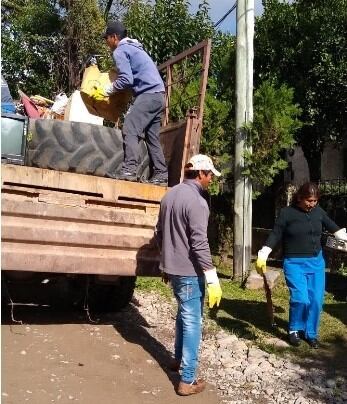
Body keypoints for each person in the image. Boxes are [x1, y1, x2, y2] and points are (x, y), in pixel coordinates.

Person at [155, 154, 223, 396]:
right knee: (193, 320)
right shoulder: (197, 201)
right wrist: (212, 276)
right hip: (190, 272)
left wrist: (165, 264)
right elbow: (199, 243)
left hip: (173, 269)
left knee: (183, 315)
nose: (211, 180)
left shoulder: (169, 195)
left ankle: (177, 359)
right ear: (201, 174)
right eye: (210, 176)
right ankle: (187, 379)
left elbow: (159, 233)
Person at [256, 182, 347, 348]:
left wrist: (344, 237)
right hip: (294, 263)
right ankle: (294, 329)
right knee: (301, 299)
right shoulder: (287, 213)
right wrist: (263, 253)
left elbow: (335, 229)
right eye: (309, 200)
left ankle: (310, 333)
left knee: (316, 301)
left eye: (315, 201)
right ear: (299, 197)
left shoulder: (318, 212)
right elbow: (275, 234)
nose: (312, 204)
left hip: (316, 263)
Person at [100, 21, 168, 186]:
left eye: (107, 38)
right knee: (151, 137)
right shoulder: (136, 48)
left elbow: (126, 79)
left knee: (130, 127)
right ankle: (161, 174)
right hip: (159, 96)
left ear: (114, 37)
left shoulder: (121, 50)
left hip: (148, 94)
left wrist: (109, 89)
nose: (106, 42)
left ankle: (129, 169)